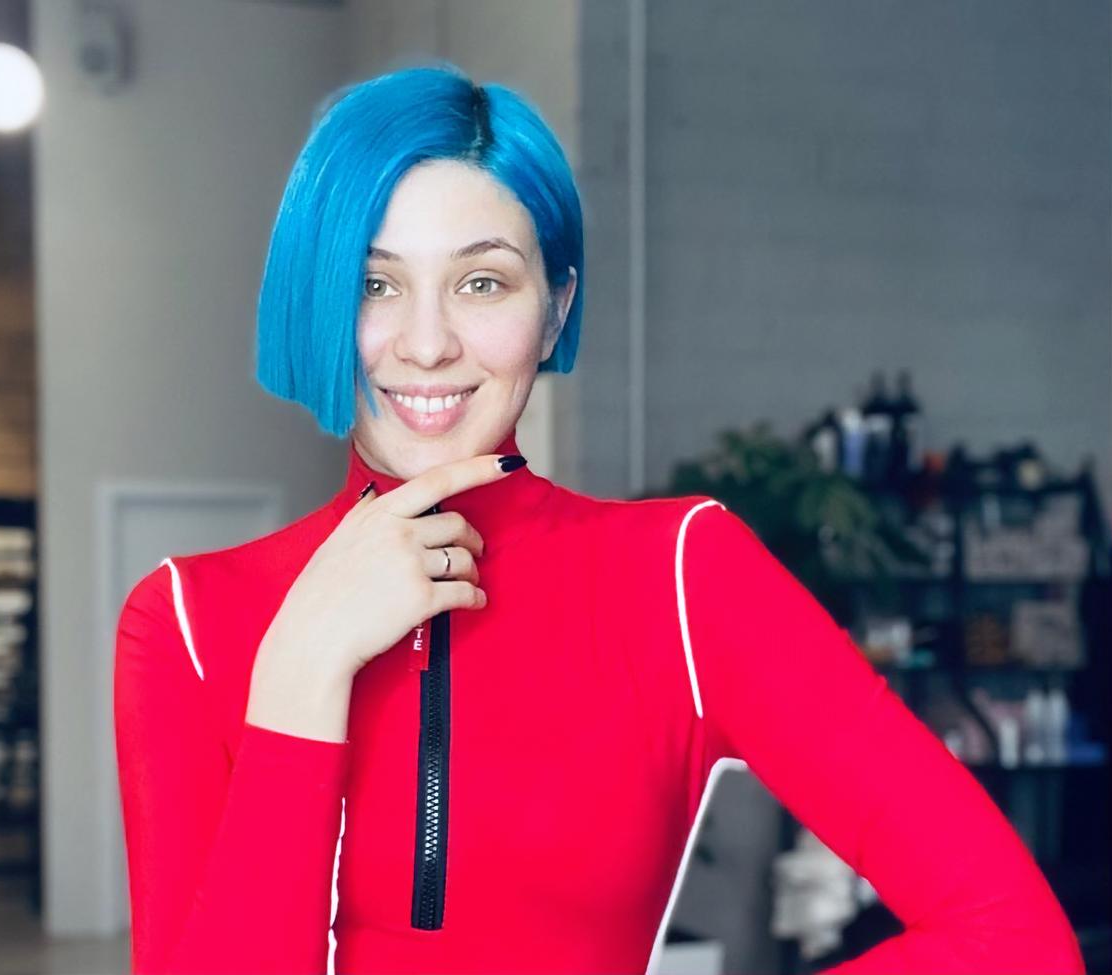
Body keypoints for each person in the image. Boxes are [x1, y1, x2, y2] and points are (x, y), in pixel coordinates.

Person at [112, 63, 1084, 975]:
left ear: (555, 305)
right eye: (376, 283)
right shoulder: (185, 623)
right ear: (321, 301)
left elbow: (1013, 939)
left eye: (482, 281)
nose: (426, 342)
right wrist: (301, 670)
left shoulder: (681, 579)